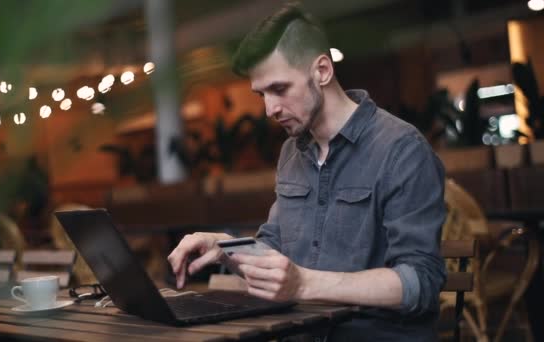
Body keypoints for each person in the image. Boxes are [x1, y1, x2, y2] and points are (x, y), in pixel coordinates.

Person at [168, 3, 446, 340]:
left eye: (280, 89)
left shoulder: (402, 150)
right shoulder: (292, 152)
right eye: (261, 94)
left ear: (323, 71)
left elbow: (422, 282)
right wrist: (228, 248)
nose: (269, 109)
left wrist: (304, 283)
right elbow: (275, 250)